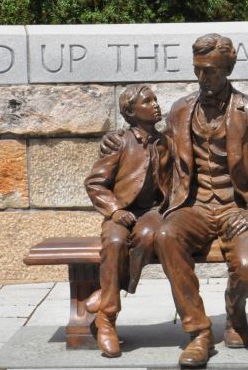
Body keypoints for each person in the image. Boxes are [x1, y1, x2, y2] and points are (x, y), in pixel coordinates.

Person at [141, 34, 248, 368]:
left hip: (237, 206)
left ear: (227, 68)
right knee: (166, 236)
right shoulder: (181, 110)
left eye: (209, 71)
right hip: (192, 206)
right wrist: (125, 147)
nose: (202, 78)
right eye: (197, 70)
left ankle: (235, 308)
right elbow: (160, 158)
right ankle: (199, 333)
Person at [84, 83, 167, 357]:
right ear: (131, 112)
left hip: (152, 212)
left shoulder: (167, 142)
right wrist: (114, 210)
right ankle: (108, 319)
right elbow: (95, 183)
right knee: (116, 240)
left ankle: (108, 301)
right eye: (148, 101)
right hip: (120, 211)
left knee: (147, 236)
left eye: (155, 100)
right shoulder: (119, 141)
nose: (155, 105)